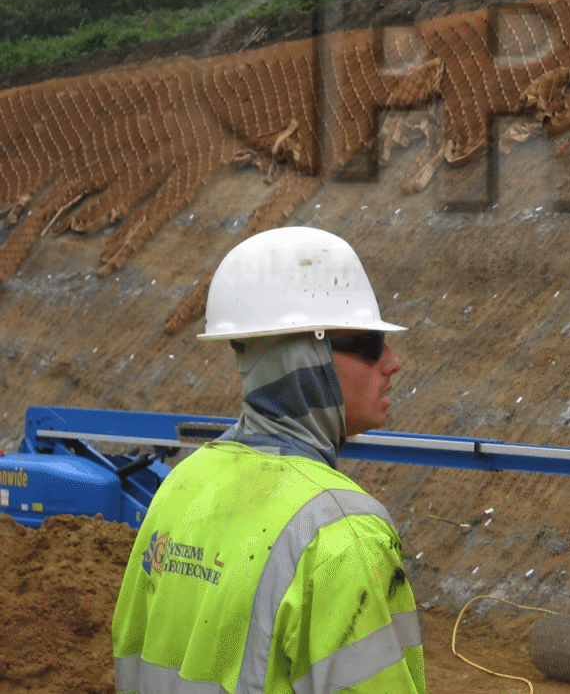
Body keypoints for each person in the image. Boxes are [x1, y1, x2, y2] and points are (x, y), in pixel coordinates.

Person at [112, 227, 425, 694]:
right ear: (304, 358)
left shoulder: (182, 483)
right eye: (367, 345)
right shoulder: (342, 531)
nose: (393, 362)